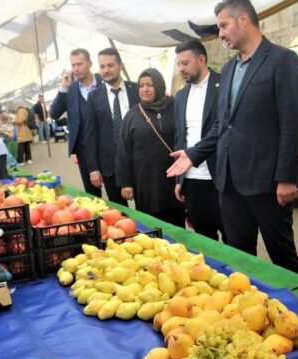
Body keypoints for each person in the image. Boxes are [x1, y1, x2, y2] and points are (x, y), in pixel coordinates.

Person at [167, 0, 298, 274]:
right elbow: (223, 124)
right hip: (229, 183)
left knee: (283, 258)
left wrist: (287, 177)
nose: (220, 34)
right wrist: (193, 154)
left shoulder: (282, 60)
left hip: (267, 184)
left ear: (244, 19)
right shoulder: (229, 70)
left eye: (223, 25)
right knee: (240, 259)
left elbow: (293, 122)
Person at [116, 69, 185, 227]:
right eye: (141, 85)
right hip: (146, 183)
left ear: (160, 86)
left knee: (177, 226)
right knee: (151, 228)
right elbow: (123, 151)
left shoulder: (176, 108)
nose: (144, 89)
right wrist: (126, 183)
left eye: (150, 85)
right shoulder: (133, 115)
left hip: (173, 179)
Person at [172, 39, 225, 241]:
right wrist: (180, 179)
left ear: (201, 59)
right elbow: (180, 139)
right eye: (179, 64)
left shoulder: (223, 85)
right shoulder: (181, 96)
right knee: (204, 239)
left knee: (233, 240)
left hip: (220, 178)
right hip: (193, 181)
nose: (181, 69)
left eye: (185, 63)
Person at [83, 47, 139, 206]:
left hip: (138, 162)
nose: (106, 70)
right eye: (102, 66)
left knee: (145, 211)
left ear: (120, 65)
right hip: (110, 166)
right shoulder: (94, 96)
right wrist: (93, 168)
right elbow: (90, 134)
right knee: (119, 214)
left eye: (110, 65)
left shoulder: (137, 90)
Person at [51, 48, 103, 197]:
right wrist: (63, 89)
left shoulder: (104, 83)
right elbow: (54, 114)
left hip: (107, 146)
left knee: (115, 192)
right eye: (73, 65)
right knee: (92, 194)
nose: (76, 69)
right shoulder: (70, 89)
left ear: (90, 63)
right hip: (83, 149)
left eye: (79, 64)